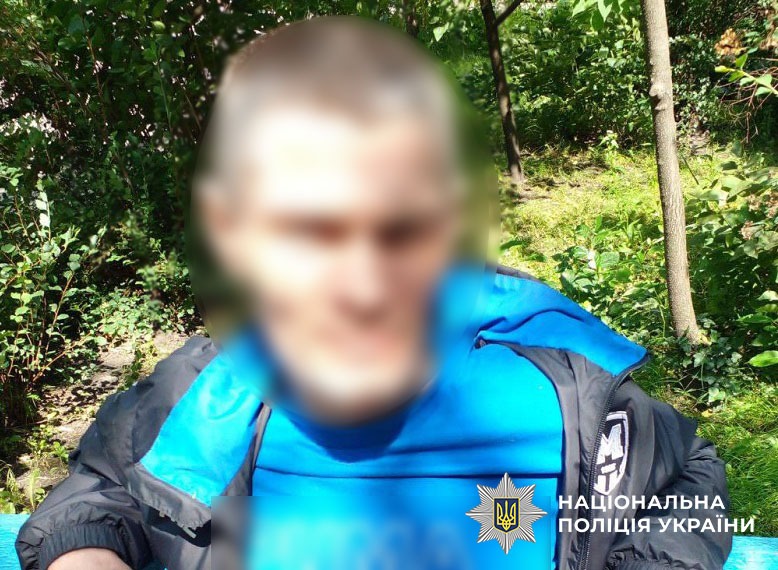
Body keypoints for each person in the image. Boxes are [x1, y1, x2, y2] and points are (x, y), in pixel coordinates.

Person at [16, 16, 732, 570]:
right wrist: (88, 553)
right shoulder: (210, 395)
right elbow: (99, 489)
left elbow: (690, 481)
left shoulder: (569, 388)